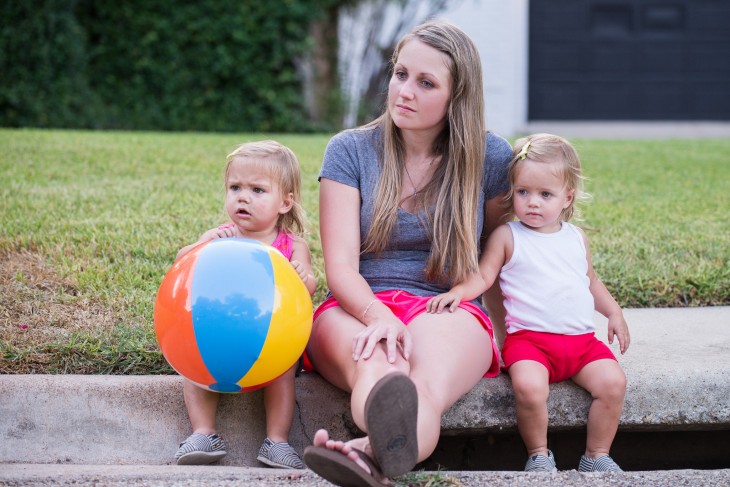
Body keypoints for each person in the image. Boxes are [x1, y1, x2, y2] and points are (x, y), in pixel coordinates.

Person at [302, 20, 513, 486]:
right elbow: (340, 265)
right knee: (378, 366)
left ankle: (364, 454)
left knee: (425, 387)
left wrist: (509, 335)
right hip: (356, 304)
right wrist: (378, 315)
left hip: (445, 306)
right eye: (400, 75)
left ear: (457, 97)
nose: (405, 92)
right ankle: (374, 455)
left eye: (426, 83)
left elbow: (496, 255)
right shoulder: (350, 150)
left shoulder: (490, 157)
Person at [426, 133, 631, 472]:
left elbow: (590, 281)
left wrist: (613, 312)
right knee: (529, 387)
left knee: (613, 383)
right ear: (512, 191)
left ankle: (596, 455)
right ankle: (538, 454)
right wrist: (458, 292)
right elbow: (484, 275)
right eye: (523, 192)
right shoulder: (508, 236)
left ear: (567, 197)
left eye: (545, 194)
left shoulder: (576, 238)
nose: (532, 202)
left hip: (581, 344)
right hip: (530, 343)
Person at [173, 140, 316, 468]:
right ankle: (203, 432)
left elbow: (308, 285)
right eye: (235, 187)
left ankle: (276, 441)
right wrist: (202, 244)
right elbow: (182, 263)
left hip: (271, 340)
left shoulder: (292, 244)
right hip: (221, 335)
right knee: (194, 364)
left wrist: (299, 274)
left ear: (285, 202)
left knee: (284, 371)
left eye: (257, 190)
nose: (242, 197)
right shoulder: (221, 236)